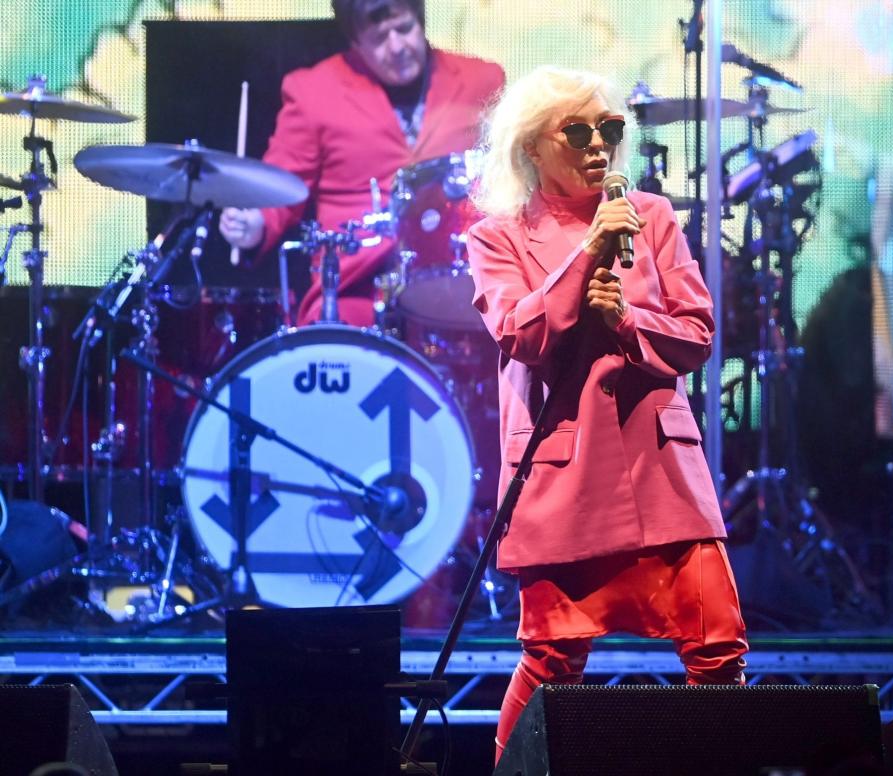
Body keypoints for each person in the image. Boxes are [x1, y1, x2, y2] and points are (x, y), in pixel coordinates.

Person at [465, 66, 749, 762]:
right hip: (566, 475)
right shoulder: (497, 239)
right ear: (533, 148)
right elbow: (520, 334)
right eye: (580, 132)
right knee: (552, 658)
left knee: (717, 650)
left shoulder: (650, 217)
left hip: (661, 470)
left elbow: (696, 335)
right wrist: (590, 250)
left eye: (611, 130)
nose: (601, 146)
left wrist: (627, 322)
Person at [218, 0, 504, 326]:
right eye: (380, 38)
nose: (396, 46)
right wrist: (256, 221)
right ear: (355, 42)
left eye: (405, 28)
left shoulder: (483, 80)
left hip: (457, 273)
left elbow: (509, 176)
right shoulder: (313, 91)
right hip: (354, 284)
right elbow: (284, 181)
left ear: (421, 20)